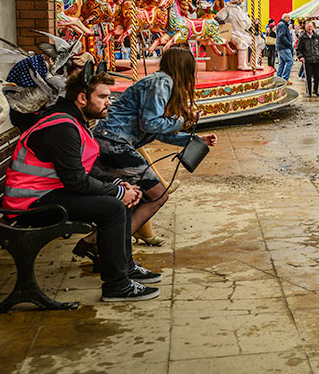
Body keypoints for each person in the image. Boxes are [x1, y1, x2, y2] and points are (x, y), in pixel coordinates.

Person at [4, 68, 160, 302]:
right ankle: (117, 286)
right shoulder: (63, 128)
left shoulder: (73, 120)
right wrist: (118, 192)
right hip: (29, 203)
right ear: (82, 98)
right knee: (114, 207)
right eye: (103, 97)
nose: (109, 102)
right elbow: (76, 180)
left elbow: (88, 168)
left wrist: (120, 185)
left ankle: (125, 269)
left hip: (48, 193)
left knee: (120, 200)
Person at [83, 48, 218, 266]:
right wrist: (182, 121)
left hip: (111, 141)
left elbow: (156, 131)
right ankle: (106, 246)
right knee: (158, 195)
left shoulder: (162, 83)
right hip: (114, 142)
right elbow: (151, 123)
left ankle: (102, 245)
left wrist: (194, 140)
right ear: (184, 67)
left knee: (136, 197)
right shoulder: (162, 82)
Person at [296, 20, 319, 98]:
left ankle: (316, 90)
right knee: (308, 77)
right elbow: (298, 49)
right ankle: (309, 92)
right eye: (308, 27)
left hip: (317, 59)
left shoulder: (316, 36)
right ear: (305, 27)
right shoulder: (302, 37)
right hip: (307, 60)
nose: (309, 28)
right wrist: (301, 57)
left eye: (311, 26)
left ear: (313, 27)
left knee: (317, 76)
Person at [275, 13, 293, 80]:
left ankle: (279, 77)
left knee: (281, 63)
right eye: (288, 18)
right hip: (284, 47)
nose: (289, 19)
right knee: (289, 61)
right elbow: (281, 36)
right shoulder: (282, 25)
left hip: (281, 46)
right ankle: (285, 78)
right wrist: (288, 43)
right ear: (285, 18)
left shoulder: (282, 24)